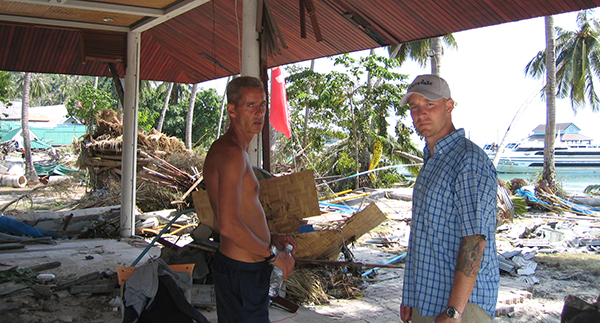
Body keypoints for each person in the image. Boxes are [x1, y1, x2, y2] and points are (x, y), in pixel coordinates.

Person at [399, 74, 499, 323]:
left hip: (463, 309)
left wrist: (454, 311)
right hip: (428, 300)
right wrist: (410, 297)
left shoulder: (468, 160)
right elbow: (423, 237)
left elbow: (475, 239)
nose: (421, 113)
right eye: (414, 107)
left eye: (429, 104)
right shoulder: (433, 160)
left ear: (449, 106)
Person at [203, 76, 296, 323]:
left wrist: (269, 237)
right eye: (250, 105)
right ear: (232, 109)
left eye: (263, 105)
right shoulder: (233, 154)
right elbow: (227, 224)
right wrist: (273, 254)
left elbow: (235, 215)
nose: (259, 112)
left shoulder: (226, 148)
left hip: (237, 268)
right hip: (243, 271)